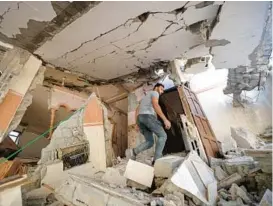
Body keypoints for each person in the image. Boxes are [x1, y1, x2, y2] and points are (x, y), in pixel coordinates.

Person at [125, 83, 171, 165]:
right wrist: (165, 120)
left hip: (140, 118)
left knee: (150, 142)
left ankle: (133, 152)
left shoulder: (144, 98)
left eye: (163, 90)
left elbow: (137, 110)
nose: (162, 91)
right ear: (156, 88)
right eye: (161, 89)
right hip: (148, 117)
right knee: (163, 136)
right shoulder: (154, 93)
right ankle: (157, 160)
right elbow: (156, 105)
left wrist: (137, 123)